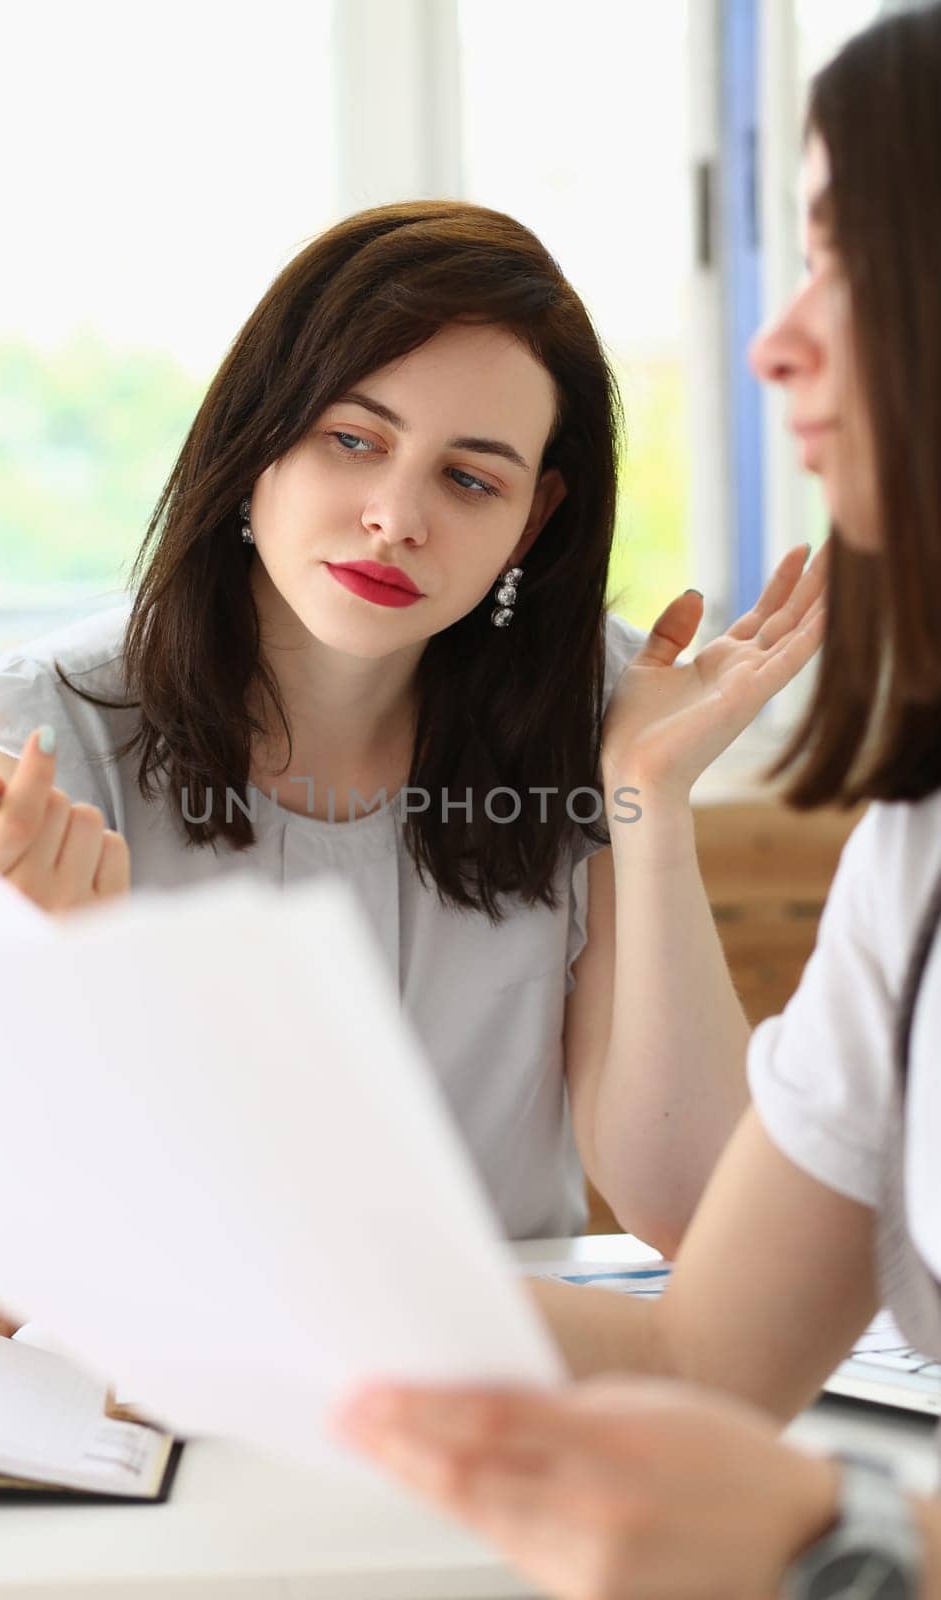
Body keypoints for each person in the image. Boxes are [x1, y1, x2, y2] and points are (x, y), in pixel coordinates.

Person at [0, 200, 822, 1329]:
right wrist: (37, 997)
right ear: (260, 434)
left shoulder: (594, 713)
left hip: (502, 1400)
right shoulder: (41, 734)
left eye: (469, 479)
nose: (395, 517)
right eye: (353, 440)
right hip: (158, 1412)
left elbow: (697, 1211)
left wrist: (647, 800)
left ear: (532, 521)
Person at [337, 8, 941, 1598]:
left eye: (847, 252)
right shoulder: (916, 853)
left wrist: (873, 1543)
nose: (772, 339)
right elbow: (701, 1344)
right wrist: (249, 1273)